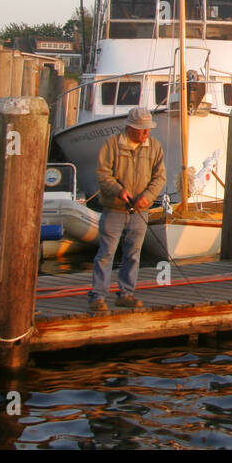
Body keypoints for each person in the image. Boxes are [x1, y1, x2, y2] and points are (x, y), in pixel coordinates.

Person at [87, 107, 166, 313]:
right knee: (106, 253)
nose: (146, 133)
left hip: (140, 212)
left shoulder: (155, 147)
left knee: (133, 254)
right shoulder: (112, 145)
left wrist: (147, 197)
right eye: (142, 130)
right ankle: (98, 296)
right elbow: (103, 174)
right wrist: (118, 190)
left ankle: (126, 294)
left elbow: (160, 178)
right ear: (130, 128)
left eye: (148, 129)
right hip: (114, 210)